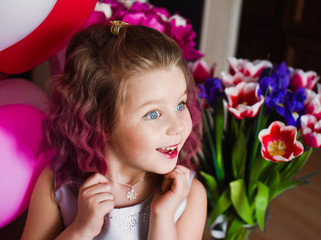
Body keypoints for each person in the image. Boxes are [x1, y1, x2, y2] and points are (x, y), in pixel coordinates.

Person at [21, 21, 207, 240]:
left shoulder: (189, 196)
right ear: (101, 122)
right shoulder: (59, 186)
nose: (178, 126)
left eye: (180, 104)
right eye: (154, 114)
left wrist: (163, 217)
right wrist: (81, 229)